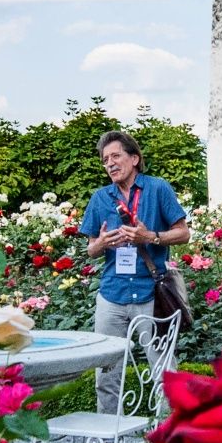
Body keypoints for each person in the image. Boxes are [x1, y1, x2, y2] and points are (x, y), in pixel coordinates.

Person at [78, 129, 189, 416]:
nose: (110, 163)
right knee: (107, 372)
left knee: (164, 370)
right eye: (105, 160)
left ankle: (170, 439)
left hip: (151, 293)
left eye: (116, 156)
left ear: (135, 158)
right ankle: (108, 442)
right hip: (112, 294)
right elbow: (90, 249)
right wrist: (101, 243)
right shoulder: (100, 198)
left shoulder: (158, 188)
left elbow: (183, 233)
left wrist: (150, 237)